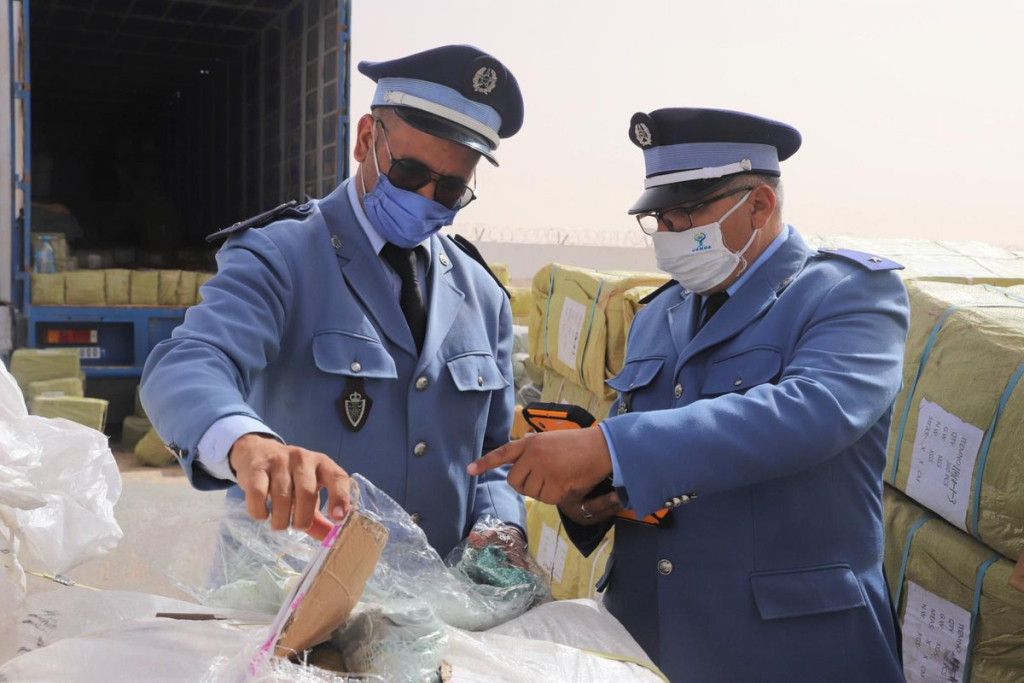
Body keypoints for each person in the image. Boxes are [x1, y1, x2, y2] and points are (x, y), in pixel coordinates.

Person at [469, 108, 909, 682]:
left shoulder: (848, 295)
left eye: (689, 213)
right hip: (649, 641)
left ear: (759, 204)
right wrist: (590, 496)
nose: (672, 233)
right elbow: (650, 465)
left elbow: (809, 413)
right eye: (660, 218)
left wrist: (609, 447)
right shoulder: (661, 313)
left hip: (790, 647)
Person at [141, 45, 527, 558]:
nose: (427, 199)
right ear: (367, 139)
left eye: (452, 190)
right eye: (411, 175)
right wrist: (245, 442)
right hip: (285, 603)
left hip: (434, 615)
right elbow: (189, 363)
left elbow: (490, 461)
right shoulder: (281, 255)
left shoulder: (483, 296)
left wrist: (502, 529)